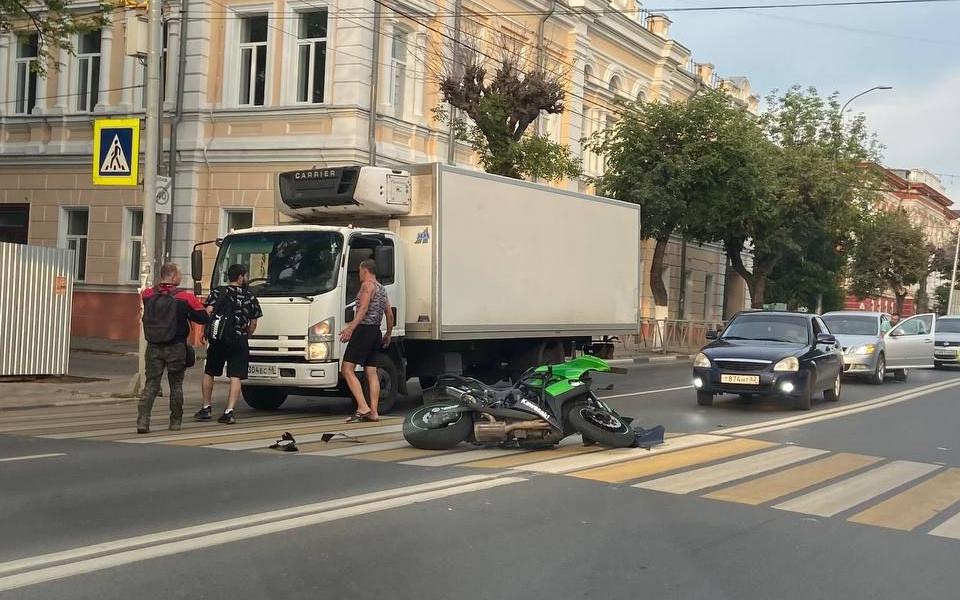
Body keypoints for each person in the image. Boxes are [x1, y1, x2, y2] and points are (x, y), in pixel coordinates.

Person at [138, 263, 209, 434]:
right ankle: (175, 421)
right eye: (180, 274)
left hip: (154, 346)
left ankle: (143, 421)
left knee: (151, 384)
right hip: (176, 346)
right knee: (176, 385)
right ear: (173, 276)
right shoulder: (185, 297)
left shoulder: (147, 294)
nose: (181, 277)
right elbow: (202, 317)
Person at [196, 264, 262, 425]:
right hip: (239, 340)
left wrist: (205, 332)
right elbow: (253, 323)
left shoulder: (218, 292)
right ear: (240, 277)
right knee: (235, 376)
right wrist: (246, 334)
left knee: (209, 372)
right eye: (245, 276)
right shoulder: (249, 296)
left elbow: (208, 312)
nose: (246, 279)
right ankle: (229, 411)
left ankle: (206, 407)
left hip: (218, 339)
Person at [339, 258, 393, 422]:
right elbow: (389, 314)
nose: (359, 274)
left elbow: (362, 308)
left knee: (347, 369)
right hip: (376, 331)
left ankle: (362, 406)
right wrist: (388, 333)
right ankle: (374, 412)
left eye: (360, 271)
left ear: (365, 270)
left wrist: (351, 328)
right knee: (371, 372)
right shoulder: (382, 289)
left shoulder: (367, 286)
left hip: (363, 330)